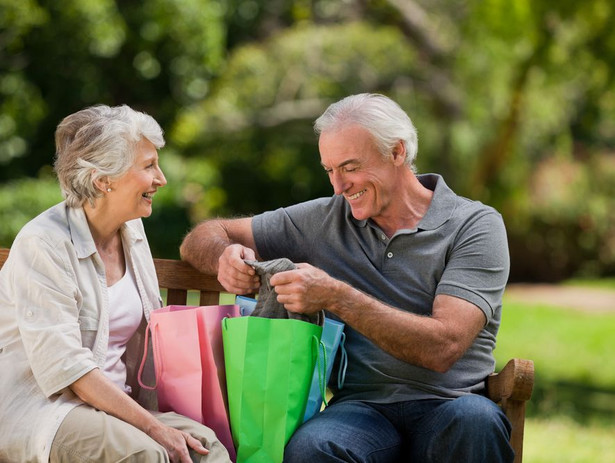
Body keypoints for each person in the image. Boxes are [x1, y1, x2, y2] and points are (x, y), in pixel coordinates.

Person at [180, 93, 514, 462]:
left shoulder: (475, 226)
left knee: (476, 421)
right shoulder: (324, 219)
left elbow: (442, 348)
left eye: (350, 167)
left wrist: (336, 296)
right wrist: (223, 256)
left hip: (452, 404)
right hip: (361, 410)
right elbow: (204, 236)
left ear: (397, 152)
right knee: (313, 447)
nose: (338, 186)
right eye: (330, 170)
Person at [0, 105, 231, 463]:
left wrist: (160, 422)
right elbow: (68, 369)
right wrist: (155, 428)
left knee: (206, 446)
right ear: (103, 179)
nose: (162, 178)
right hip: (47, 412)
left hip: (117, 408)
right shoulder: (43, 243)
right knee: (146, 453)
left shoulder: (131, 232)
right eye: (149, 165)